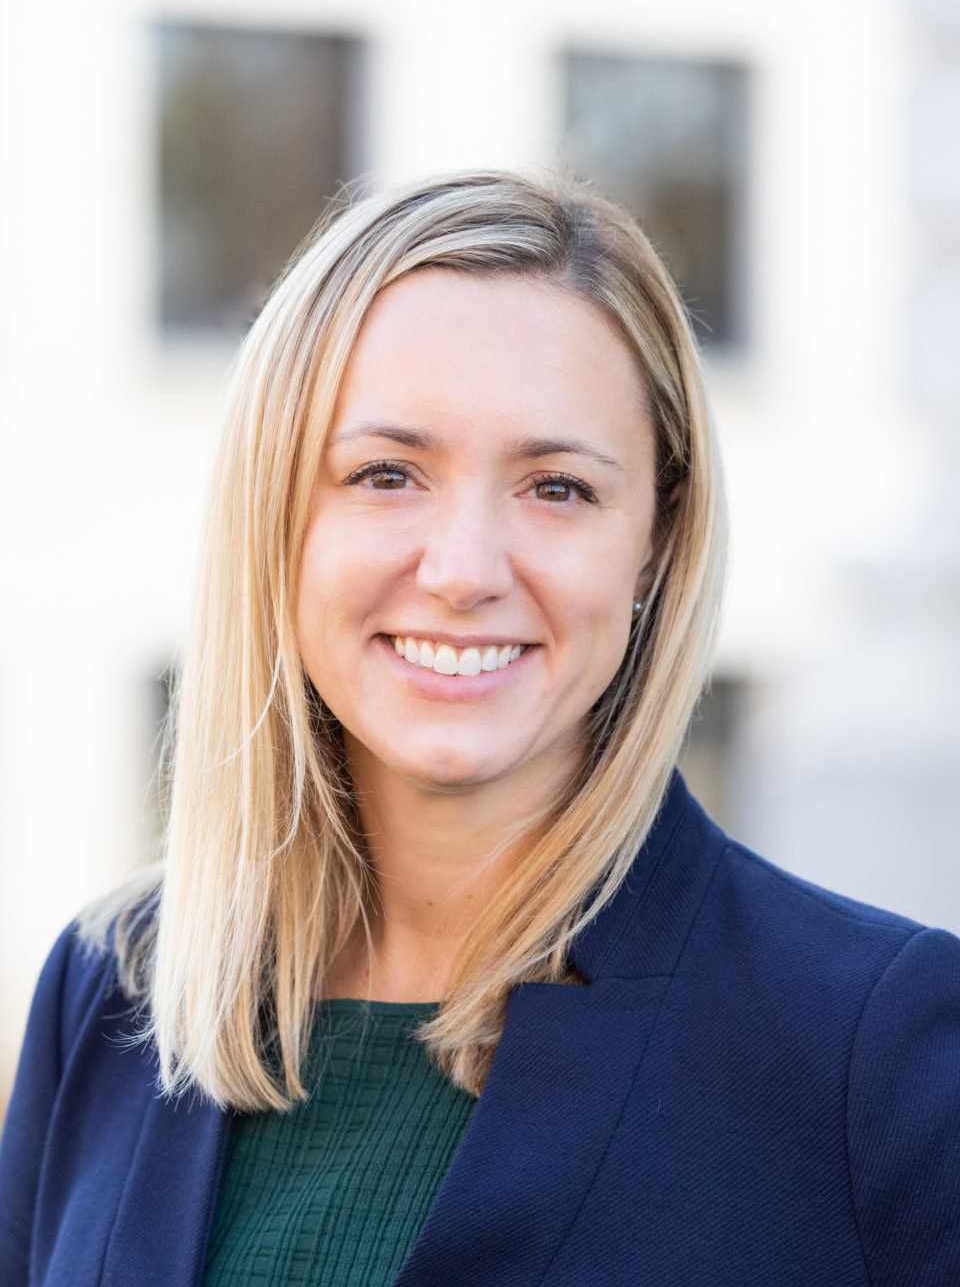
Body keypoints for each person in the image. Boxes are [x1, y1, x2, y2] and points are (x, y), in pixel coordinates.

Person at [0, 170, 958, 1287]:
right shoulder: (112, 993)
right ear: (275, 519)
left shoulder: (873, 1050)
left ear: (655, 541)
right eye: (386, 474)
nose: (462, 573)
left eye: (556, 488)